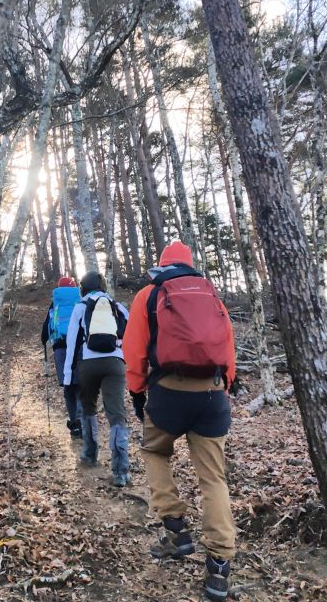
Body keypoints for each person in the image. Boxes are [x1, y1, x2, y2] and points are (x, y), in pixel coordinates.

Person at [123, 241, 237, 602]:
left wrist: (137, 390)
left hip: (168, 392)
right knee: (213, 478)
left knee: (155, 452)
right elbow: (228, 347)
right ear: (190, 265)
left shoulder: (149, 294)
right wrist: (225, 385)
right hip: (212, 394)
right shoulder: (211, 294)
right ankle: (219, 566)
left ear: (162, 265)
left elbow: (134, 348)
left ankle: (175, 529)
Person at [63, 271, 130, 487]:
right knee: (117, 414)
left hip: (88, 363)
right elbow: (130, 336)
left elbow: (72, 343)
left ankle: (90, 454)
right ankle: (120, 471)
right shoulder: (117, 307)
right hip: (115, 363)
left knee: (88, 406)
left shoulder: (80, 308)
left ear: (83, 287)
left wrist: (68, 375)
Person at [41, 277, 83, 437]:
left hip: (60, 349)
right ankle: (80, 422)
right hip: (78, 348)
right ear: (74, 287)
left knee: (68, 387)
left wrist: (46, 341)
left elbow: (44, 333)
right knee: (79, 386)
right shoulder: (80, 302)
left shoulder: (55, 304)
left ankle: (74, 424)